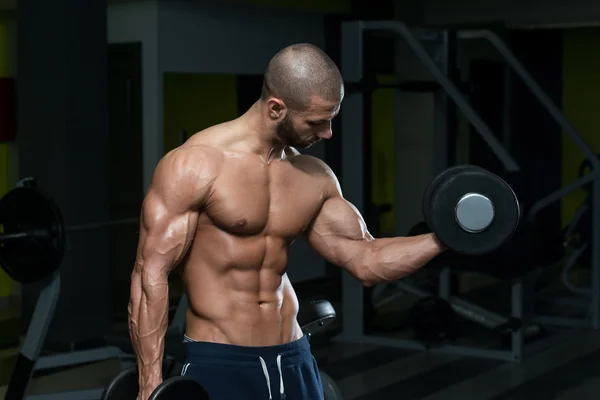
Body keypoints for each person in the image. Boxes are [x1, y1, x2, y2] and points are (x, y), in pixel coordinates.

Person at [128, 43, 446, 400]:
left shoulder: (314, 176)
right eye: (316, 121)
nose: (327, 133)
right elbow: (149, 277)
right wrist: (148, 385)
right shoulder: (195, 166)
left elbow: (366, 260)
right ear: (276, 108)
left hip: (294, 356)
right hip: (221, 359)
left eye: (331, 119)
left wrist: (444, 238)